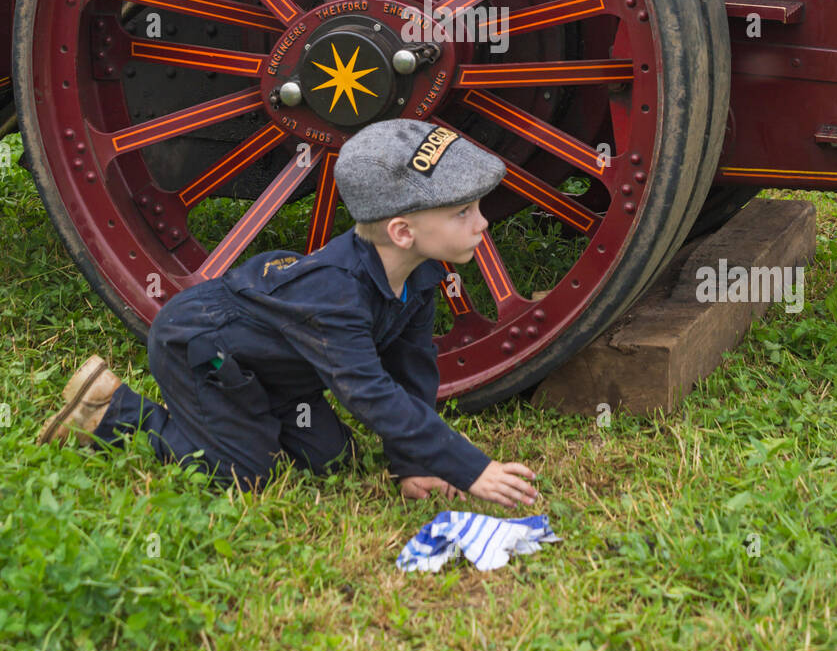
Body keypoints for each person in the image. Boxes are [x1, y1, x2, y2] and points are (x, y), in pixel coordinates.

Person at [38, 120, 539, 511]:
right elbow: (368, 392)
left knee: (333, 460)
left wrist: (415, 462)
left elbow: (411, 371)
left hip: (276, 377)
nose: (482, 222)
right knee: (243, 475)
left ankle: (247, 420)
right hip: (204, 348)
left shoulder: (420, 275)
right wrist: (469, 467)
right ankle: (114, 413)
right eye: (462, 212)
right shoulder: (336, 297)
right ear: (403, 232)